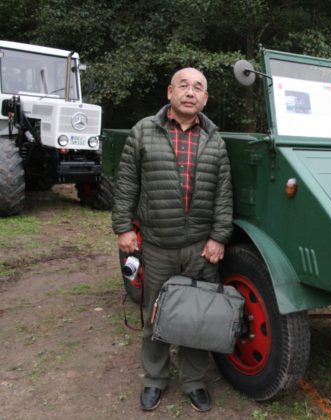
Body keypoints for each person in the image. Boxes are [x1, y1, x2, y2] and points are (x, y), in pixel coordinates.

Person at [112, 67, 233, 412]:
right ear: (170, 92)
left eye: (198, 88)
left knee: (197, 319)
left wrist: (218, 237)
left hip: (199, 248)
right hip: (158, 244)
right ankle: (155, 379)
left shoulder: (214, 139)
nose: (190, 92)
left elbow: (224, 195)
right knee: (156, 316)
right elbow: (126, 185)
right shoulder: (143, 132)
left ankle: (194, 382)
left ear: (205, 98)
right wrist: (123, 228)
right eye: (184, 85)